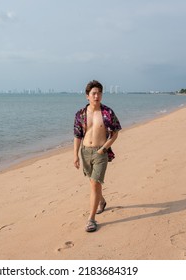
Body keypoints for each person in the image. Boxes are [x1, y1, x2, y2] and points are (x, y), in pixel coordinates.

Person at [73, 80, 122, 232]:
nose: (97, 96)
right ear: (87, 96)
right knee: (93, 182)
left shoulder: (108, 112)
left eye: (99, 93)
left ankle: (91, 219)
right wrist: (75, 155)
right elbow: (77, 136)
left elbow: (115, 133)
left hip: (101, 152)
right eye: (93, 93)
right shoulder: (80, 114)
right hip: (85, 152)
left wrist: (103, 149)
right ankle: (102, 201)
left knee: (95, 183)